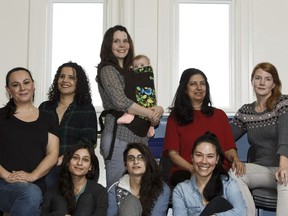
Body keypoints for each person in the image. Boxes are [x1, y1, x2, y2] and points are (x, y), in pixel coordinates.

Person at [96, 25, 163, 188]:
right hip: (118, 137)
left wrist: (158, 110)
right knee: (117, 190)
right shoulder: (107, 70)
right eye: (116, 41)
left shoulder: (134, 71)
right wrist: (149, 113)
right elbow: (121, 102)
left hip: (140, 139)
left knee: (141, 193)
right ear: (108, 45)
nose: (122, 45)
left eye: (125, 41)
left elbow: (146, 99)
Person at [162, 68, 244, 187]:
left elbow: (228, 149)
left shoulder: (220, 116)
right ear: (185, 89)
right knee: (190, 185)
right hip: (186, 170)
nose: (199, 88)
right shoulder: (175, 117)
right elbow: (172, 153)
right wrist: (192, 169)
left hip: (216, 170)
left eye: (202, 84)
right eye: (193, 84)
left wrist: (236, 159)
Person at [229, 62, 288, 216]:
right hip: (264, 169)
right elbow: (225, 138)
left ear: (274, 83)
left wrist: (284, 165)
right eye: (258, 78)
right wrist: (235, 158)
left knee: (285, 180)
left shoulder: (283, 103)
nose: (262, 83)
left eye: (267, 79)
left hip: (285, 165)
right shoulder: (246, 111)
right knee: (235, 174)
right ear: (252, 81)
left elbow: (285, 134)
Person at [0, 67, 59, 216]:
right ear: (8, 90)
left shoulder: (49, 118)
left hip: (36, 183)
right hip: (3, 184)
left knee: (33, 194)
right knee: (31, 194)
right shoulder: (1, 116)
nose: (22, 88)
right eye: (15, 84)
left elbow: (53, 154)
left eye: (26, 82)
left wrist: (32, 176)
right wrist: (7, 175)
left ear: (33, 85)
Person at [39, 61, 97, 187]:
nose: (65, 80)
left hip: (73, 165)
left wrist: (65, 158)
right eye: (62, 76)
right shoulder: (45, 107)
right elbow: (36, 138)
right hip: (45, 163)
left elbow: (87, 140)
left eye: (71, 77)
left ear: (79, 82)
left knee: (49, 183)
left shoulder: (86, 108)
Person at [173, 131, 246, 215]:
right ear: (192, 157)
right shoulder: (181, 190)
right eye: (199, 155)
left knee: (219, 202)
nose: (204, 161)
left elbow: (242, 212)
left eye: (210, 156)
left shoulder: (228, 184)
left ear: (217, 159)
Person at [41, 142, 108, 216]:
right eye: (75, 158)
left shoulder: (100, 191)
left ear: (90, 167)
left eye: (85, 160)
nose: (79, 163)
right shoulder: (53, 189)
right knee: (59, 201)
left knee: (87, 199)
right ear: (67, 162)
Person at [107, 142, 171, 216]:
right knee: (131, 202)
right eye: (131, 158)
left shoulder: (161, 188)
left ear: (148, 162)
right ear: (125, 165)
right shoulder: (115, 189)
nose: (136, 162)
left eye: (141, 157)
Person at [117, 54, 157, 137]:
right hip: (145, 98)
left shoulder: (147, 74)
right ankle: (149, 127)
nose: (139, 67)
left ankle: (131, 116)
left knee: (142, 104)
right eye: (135, 66)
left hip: (147, 96)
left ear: (149, 65)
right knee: (141, 106)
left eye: (142, 65)